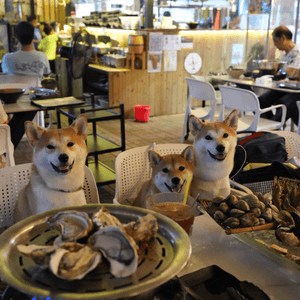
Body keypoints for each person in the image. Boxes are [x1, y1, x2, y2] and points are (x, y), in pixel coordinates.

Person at [2, 21, 50, 149]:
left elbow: (6, 74)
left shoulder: (8, 58)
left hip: (12, 101)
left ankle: (6, 143)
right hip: (34, 99)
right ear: (33, 36)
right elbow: (47, 73)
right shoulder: (42, 56)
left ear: (17, 37)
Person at [259, 25, 300, 125]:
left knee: (284, 104)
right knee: (260, 101)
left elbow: (290, 73)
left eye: (275, 41)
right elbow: (281, 72)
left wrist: (277, 72)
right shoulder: (285, 54)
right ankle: (270, 124)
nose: (275, 44)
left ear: (283, 38)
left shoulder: (297, 52)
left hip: (294, 91)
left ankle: (273, 128)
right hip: (283, 88)